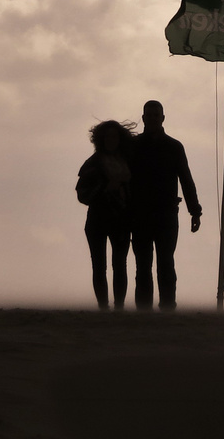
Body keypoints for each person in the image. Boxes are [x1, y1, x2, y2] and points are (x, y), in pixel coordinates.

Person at [128, 100, 202, 309]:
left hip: (166, 214)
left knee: (166, 264)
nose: (152, 118)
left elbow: (186, 180)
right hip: (139, 214)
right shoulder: (133, 146)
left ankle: (168, 308)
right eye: (148, 115)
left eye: (155, 115)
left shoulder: (173, 147)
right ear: (143, 118)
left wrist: (195, 211)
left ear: (162, 118)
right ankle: (143, 311)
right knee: (143, 266)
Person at [76, 119, 136, 309]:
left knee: (120, 265)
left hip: (121, 221)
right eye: (107, 136)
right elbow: (82, 194)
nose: (111, 140)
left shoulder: (128, 162)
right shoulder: (92, 163)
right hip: (97, 221)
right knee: (99, 266)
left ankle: (119, 307)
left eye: (114, 136)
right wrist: (104, 188)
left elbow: (136, 191)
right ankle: (103, 307)